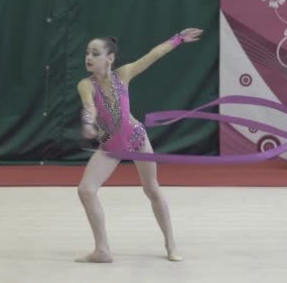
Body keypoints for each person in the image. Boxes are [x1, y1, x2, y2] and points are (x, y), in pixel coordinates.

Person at [75, 28, 203, 263]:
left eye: (95, 53)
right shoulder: (86, 84)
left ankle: (170, 244)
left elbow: (153, 55)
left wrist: (178, 39)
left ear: (110, 58)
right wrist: (88, 121)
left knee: (152, 189)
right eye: (87, 53)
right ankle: (102, 250)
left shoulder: (123, 74)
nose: (89, 57)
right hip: (109, 145)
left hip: (136, 138)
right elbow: (89, 105)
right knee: (85, 190)